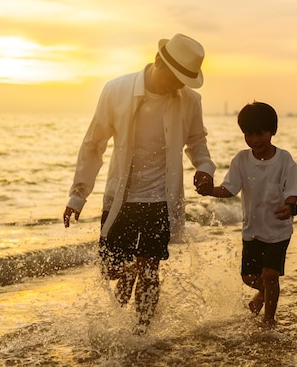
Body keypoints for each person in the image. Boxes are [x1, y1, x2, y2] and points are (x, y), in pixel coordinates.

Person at [62, 34, 216, 335]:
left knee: (151, 270)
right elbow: (94, 143)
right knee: (109, 271)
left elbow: (197, 141)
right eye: (175, 77)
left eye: (184, 80)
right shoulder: (116, 91)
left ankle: (141, 338)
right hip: (121, 199)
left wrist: (205, 168)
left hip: (161, 199)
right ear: (159, 61)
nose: (178, 85)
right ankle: (131, 276)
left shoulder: (189, 100)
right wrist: (78, 194)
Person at [200, 102, 297, 329]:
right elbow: (230, 189)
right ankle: (265, 294)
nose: (254, 139)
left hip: (278, 229)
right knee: (250, 278)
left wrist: (289, 206)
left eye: (260, 133)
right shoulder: (241, 160)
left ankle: (269, 320)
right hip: (252, 231)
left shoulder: (284, 159)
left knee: (270, 274)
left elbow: (293, 190)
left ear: (272, 131)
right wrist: (211, 190)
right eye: (248, 134)